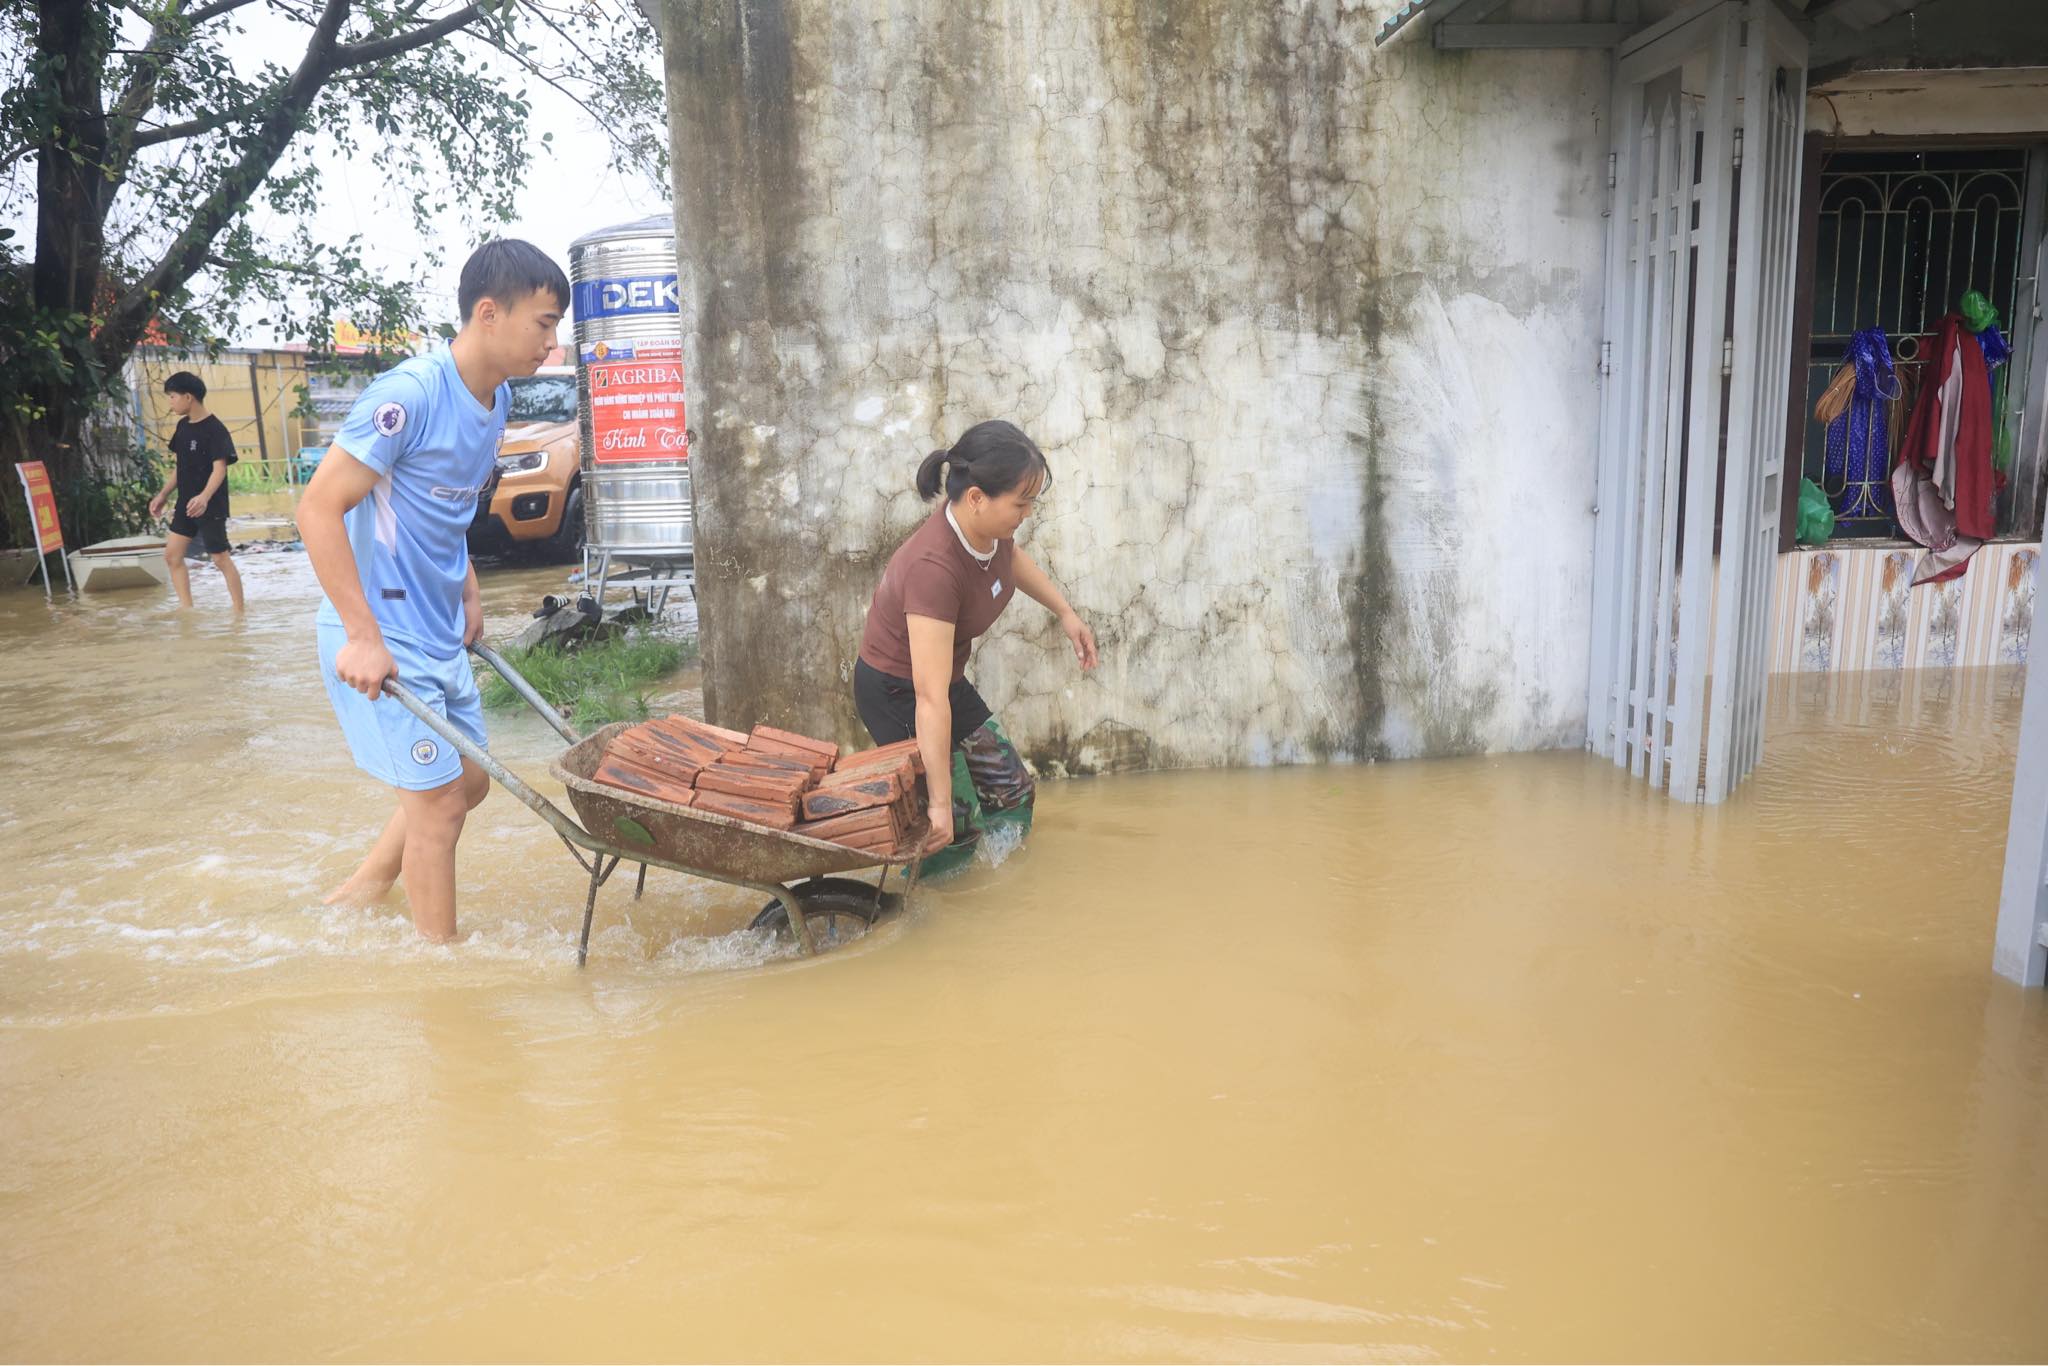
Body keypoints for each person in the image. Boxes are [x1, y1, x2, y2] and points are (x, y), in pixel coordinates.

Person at [299, 240, 568, 941]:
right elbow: (317, 509)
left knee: (469, 782)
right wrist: (362, 637)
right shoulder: (407, 397)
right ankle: (441, 974)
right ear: (488, 312)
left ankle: (369, 885)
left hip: (440, 624)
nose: (552, 340)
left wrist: (470, 592)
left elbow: (445, 509)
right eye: (543, 322)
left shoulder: (496, 398)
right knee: (443, 804)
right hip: (382, 634)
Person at [855, 420, 1098, 875]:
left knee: (1013, 790)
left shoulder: (990, 534)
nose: (1026, 513)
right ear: (976, 499)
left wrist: (1066, 613)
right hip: (898, 693)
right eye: (1021, 503)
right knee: (951, 827)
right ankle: (929, 909)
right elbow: (928, 699)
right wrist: (942, 804)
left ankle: (993, 882)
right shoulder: (934, 568)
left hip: (942, 683)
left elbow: (1012, 559)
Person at [147, 371, 246, 611]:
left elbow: (219, 469)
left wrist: (204, 497)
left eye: (172, 397)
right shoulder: (182, 427)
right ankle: (186, 610)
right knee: (172, 556)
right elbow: (180, 468)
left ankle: (239, 612)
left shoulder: (215, 429)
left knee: (220, 558)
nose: (170, 402)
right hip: (185, 503)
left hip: (209, 504)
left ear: (188, 397)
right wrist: (163, 495)